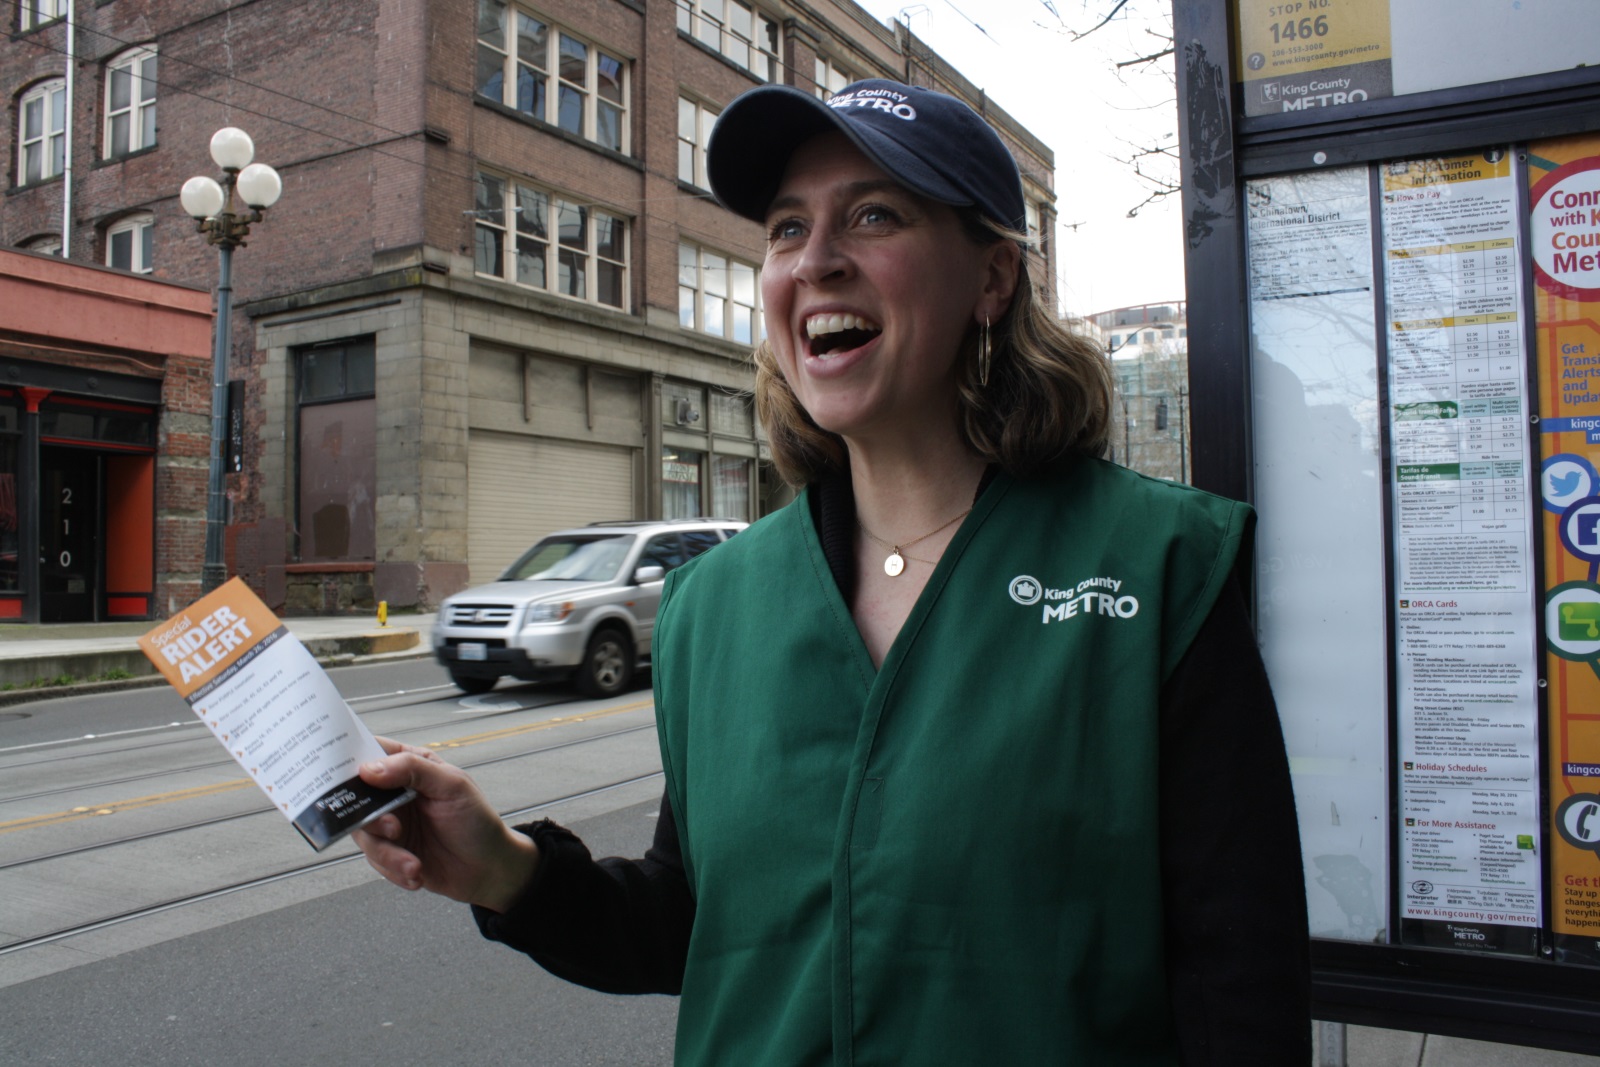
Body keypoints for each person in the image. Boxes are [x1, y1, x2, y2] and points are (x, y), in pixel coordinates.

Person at [354, 78, 1310, 1064]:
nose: (815, 261)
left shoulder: (1154, 570)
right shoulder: (715, 601)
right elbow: (705, 924)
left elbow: (1243, 992)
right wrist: (508, 871)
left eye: (874, 214)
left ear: (992, 279)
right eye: (784, 227)